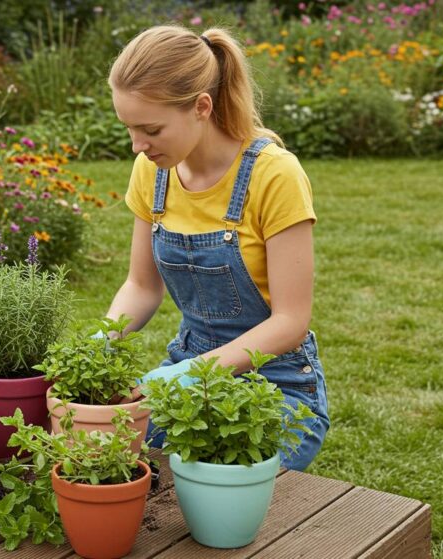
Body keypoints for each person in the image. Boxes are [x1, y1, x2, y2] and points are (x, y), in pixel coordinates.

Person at [104, 25, 329, 470]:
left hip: (277, 386)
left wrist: (182, 376)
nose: (137, 145)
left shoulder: (274, 175)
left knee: (212, 489)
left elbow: (290, 322)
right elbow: (141, 286)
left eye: (151, 129)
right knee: (106, 455)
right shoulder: (152, 171)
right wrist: (100, 341)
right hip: (187, 368)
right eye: (129, 128)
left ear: (201, 107)